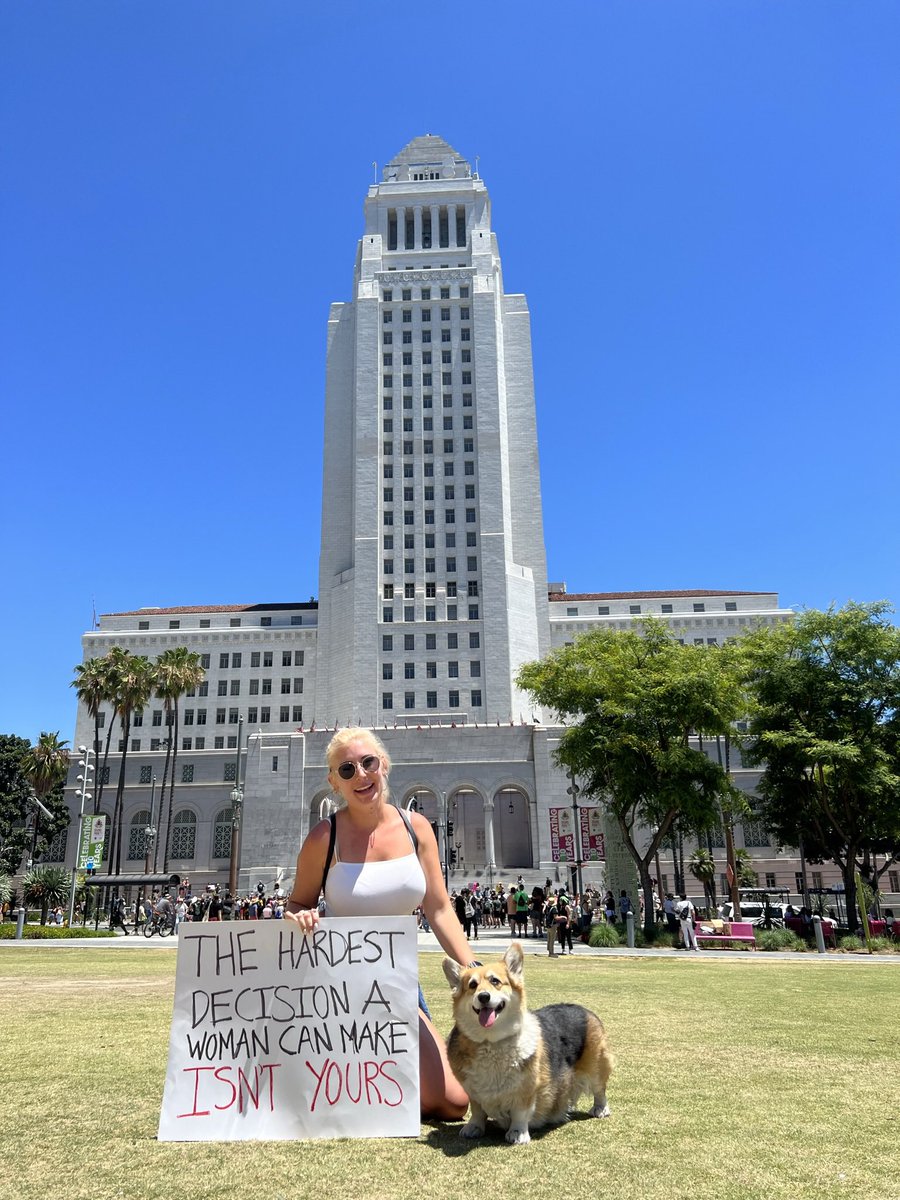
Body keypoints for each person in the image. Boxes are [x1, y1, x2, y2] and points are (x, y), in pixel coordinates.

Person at [285, 727, 473, 1120]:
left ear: (383, 765)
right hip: (336, 989)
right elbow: (297, 903)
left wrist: (472, 969)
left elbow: (438, 908)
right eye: (347, 770)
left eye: (368, 763)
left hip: (395, 982)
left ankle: (373, 1085)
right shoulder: (325, 836)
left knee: (453, 1103)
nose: (362, 775)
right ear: (334, 782)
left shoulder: (415, 827)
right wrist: (301, 915)